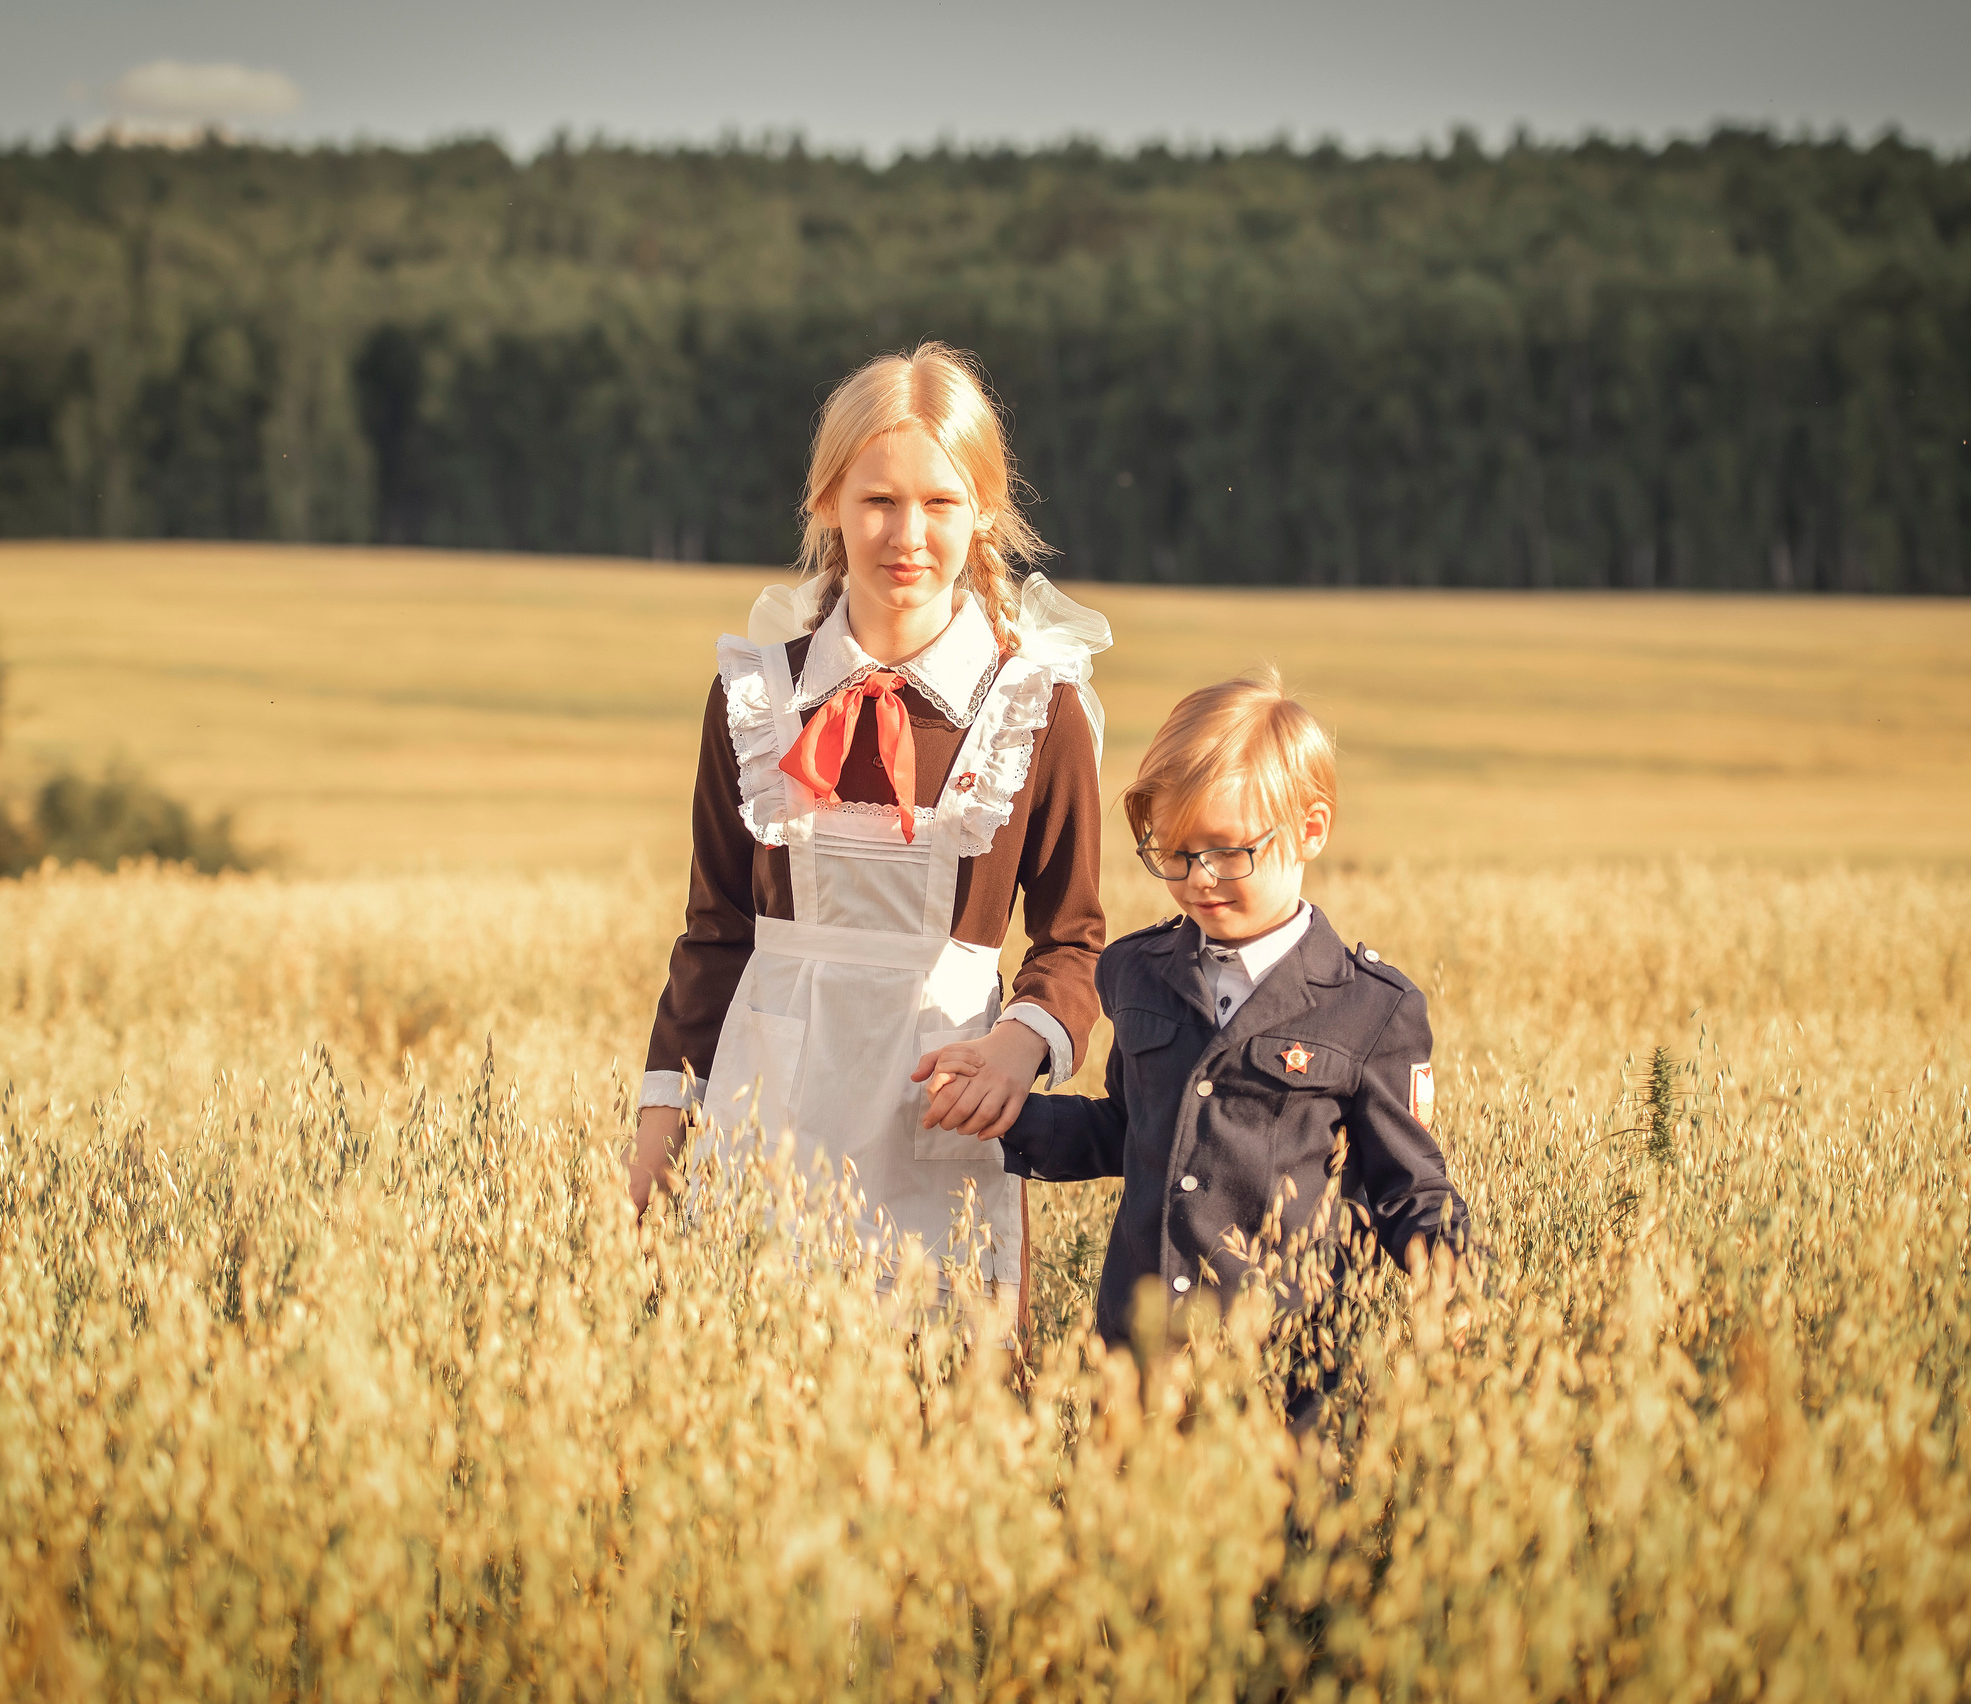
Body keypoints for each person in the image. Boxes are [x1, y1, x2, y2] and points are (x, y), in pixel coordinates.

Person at [629, 343, 1112, 1306]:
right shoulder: (756, 701)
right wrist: (654, 1147)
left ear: (984, 512)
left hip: (942, 1126)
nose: (908, 534)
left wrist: (1020, 1046)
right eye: (878, 500)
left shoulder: (1037, 710)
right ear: (828, 505)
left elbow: (1073, 940)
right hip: (764, 1129)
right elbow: (716, 935)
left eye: (940, 502)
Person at [959, 669, 1470, 1423]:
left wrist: (1450, 1279)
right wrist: (1005, 1117)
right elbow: (1131, 1131)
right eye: (1174, 852)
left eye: (1228, 852)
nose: (1198, 879)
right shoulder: (1135, 972)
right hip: (1135, 1378)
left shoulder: (1372, 1009)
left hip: (1281, 1389)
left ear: (1311, 829)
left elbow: (1408, 1188)